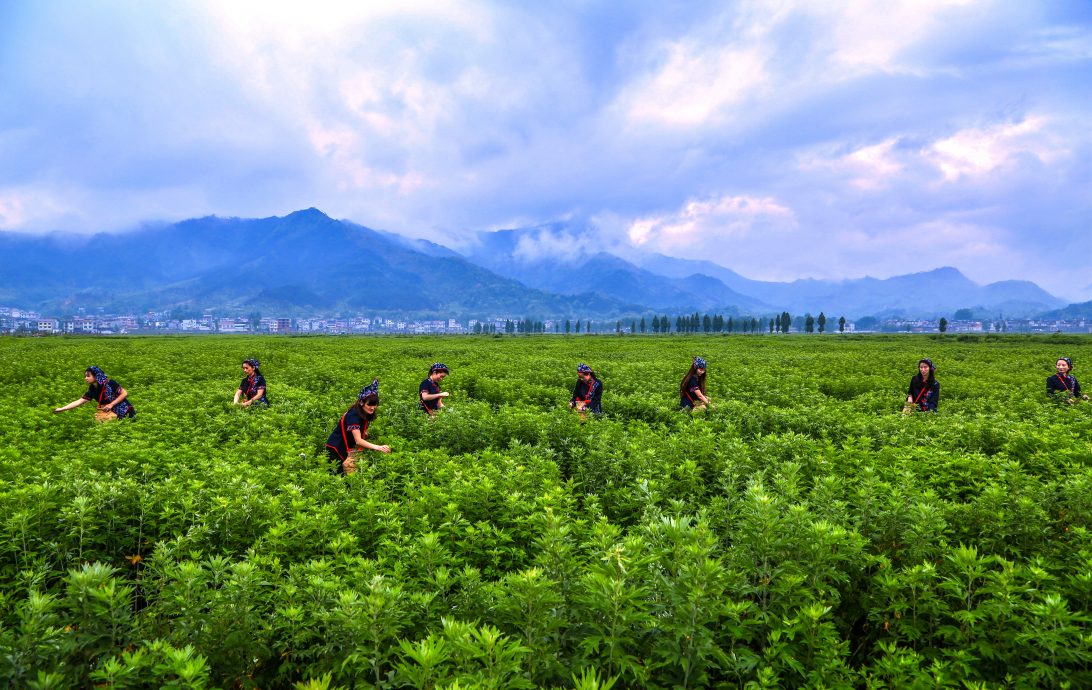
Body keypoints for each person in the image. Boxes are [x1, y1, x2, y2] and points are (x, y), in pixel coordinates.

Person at [325, 378, 391, 474]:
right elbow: (358, 440)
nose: (373, 407)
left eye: (375, 404)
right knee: (337, 478)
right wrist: (378, 447)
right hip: (336, 449)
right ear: (361, 403)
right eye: (370, 404)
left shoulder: (363, 412)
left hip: (345, 448)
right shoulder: (353, 416)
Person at [53, 366, 136, 420]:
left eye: (88, 376)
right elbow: (79, 401)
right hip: (110, 413)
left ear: (96, 376)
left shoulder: (110, 383)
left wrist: (111, 404)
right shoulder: (92, 389)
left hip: (125, 412)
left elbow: (124, 393)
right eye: (85, 376)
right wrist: (62, 409)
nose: (86, 378)